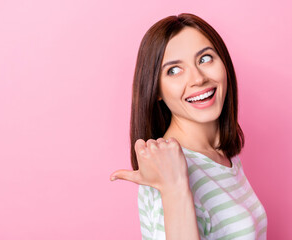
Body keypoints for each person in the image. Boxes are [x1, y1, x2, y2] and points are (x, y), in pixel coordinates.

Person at [110, 13, 267, 240]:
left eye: (205, 58)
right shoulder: (165, 170)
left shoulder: (221, 156)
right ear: (156, 92)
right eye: (173, 70)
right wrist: (174, 188)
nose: (197, 79)